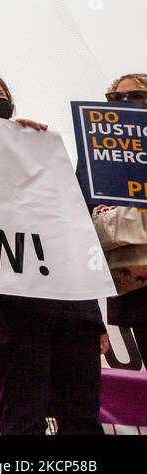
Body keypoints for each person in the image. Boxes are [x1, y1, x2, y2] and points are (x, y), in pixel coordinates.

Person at [0, 72, 104, 434]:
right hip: (14, 303)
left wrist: (96, 319)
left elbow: (73, 225)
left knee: (82, 413)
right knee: (25, 409)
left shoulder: (41, 147)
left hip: (72, 303)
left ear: (11, 104)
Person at [101, 73, 147, 362]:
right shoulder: (98, 156)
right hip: (138, 292)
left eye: (137, 95)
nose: (125, 103)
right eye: (117, 98)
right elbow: (89, 225)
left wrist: (119, 220)